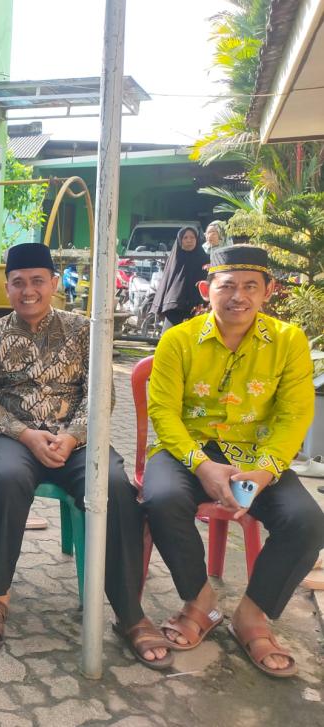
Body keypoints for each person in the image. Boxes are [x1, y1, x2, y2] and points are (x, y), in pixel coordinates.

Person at [0, 243, 171, 668]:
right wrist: (26, 435)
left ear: (54, 283)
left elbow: (101, 395)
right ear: (6, 288)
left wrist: (72, 437)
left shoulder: (85, 331)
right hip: (12, 438)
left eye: (38, 281)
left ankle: (129, 613)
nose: (28, 291)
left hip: (75, 438)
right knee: (3, 479)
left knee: (113, 485)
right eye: (18, 282)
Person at [142, 245, 324, 678]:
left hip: (257, 456)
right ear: (206, 289)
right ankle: (200, 601)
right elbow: (163, 411)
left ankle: (252, 614)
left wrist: (264, 470)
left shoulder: (288, 342)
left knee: (307, 521)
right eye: (227, 286)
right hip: (188, 450)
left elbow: (295, 414)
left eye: (250, 286)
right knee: (161, 498)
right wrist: (201, 465)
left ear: (268, 291)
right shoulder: (178, 339)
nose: (238, 296)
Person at [151, 226, 208, 331]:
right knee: (169, 336)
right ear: (180, 240)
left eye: (192, 237)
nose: (189, 240)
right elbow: (168, 282)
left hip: (197, 307)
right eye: (185, 237)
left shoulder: (204, 259)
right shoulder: (175, 259)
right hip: (175, 306)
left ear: (197, 239)